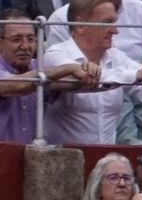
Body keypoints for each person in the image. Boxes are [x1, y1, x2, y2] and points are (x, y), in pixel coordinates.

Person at [41, 0, 142, 144]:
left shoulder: (116, 56)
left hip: (105, 162)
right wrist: (138, 74)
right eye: (107, 22)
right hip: (65, 160)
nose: (115, 30)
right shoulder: (55, 55)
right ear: (80, 25)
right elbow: (92, 80)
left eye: (114, 22)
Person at [0, 9, 93, 143]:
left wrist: (88, 71)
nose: (26, 46)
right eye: (16, 39)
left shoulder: (38, 67)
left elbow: (68, 83)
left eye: (31, 39)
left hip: (31, 156)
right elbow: (17, 85)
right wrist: (70, 67)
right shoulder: (42, 71)